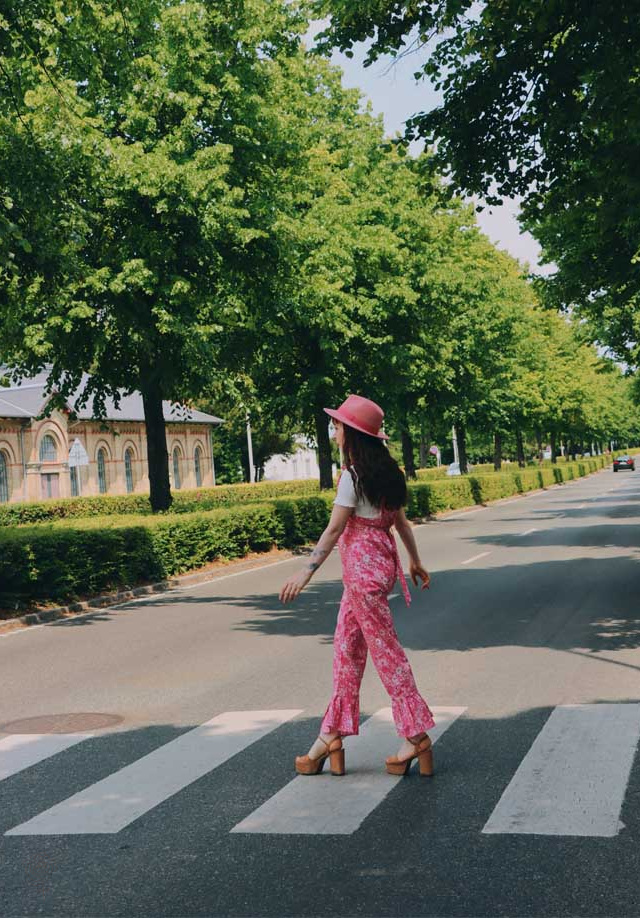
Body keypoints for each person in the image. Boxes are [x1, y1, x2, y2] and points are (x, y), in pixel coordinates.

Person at [279, 394, 436, 778]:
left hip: (363, 578)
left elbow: (334, 529)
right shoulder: (389, 473)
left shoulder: (351, 477)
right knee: (346, 653)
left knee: (386, 654)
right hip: (374, 572)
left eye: (337, 427)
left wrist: (305, 572)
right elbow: (401, 524)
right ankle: (329, 737)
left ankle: (416, 736)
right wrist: (414, 560)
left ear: (352, 433)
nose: (334, 432)